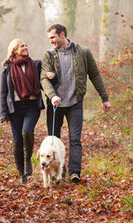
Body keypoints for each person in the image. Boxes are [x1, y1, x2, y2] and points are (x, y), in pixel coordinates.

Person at [41, 24, 111, 183]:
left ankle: (74, 173)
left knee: (75, 139)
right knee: (54, 139)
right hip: (55, 105)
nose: (51, 41)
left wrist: (104, 98)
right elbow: (43, 79)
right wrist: (52, 95)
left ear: (62, 34)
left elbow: (95, 75)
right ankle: (57, 173)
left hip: (75, 104)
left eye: (53, 37)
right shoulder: (49, 55)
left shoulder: (83, 52)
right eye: (49, 38)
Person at [0, 39, 45, 184]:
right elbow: (3, 92)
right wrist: (4, 114)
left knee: (27, 131)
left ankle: (28, 160)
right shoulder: (7, 68)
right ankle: (22, 174)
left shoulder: (36, 65)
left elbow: (45, 81)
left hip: (32, 105)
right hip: (15, 109)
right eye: (22, 46)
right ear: (14, 50)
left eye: (26, 45)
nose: (25, 48)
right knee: (17, 141)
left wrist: (53, 76)